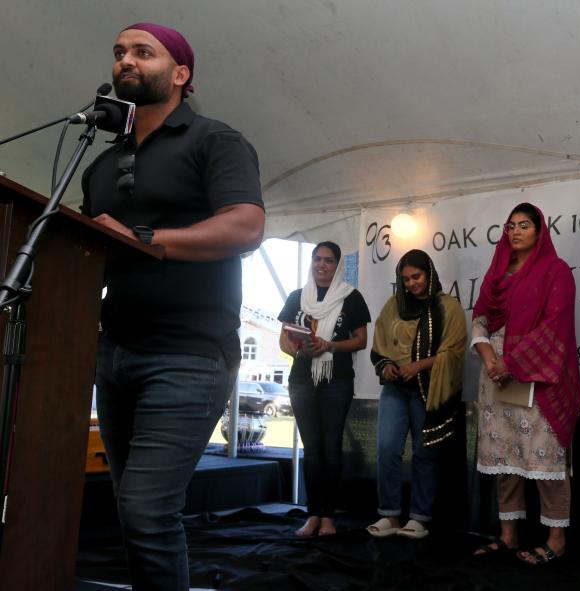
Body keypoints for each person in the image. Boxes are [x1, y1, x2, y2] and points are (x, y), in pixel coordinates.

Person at [80, 23, 264, 591]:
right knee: (133, 511)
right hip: (115, 353)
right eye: (118, 53)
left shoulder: (215, 140)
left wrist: (145, 239)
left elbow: (246, 225)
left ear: (180, 74)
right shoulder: (100, 165)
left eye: (142, 51)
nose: (125, 61)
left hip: (188, 353)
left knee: (147, 508)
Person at [471, 202, 580, 566]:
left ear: (539, 230)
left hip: (536, 381)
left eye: (524, 225)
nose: (516, 232)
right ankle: (508, 536)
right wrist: (490, 359)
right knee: (505, 462)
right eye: (511, 226)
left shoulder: (556, 271)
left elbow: (555, 326)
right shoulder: (497, 274)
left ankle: (556, 539)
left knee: (545, 462)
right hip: (495, 380)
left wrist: (512, 363)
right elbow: (480, 319)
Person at [367, 249, 467, 539]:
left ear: (430, 274)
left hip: (429, 391)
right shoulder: (393, 305)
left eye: (417, 276)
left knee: (425, 453)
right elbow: (379, 347)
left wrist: (419, 366)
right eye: (406, 278)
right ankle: (389, 515)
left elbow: (455, 352)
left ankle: (419, 519)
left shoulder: (448, 307)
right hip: (396, 390)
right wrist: (386, 367)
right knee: (387, 450)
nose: (411, 283)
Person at [277, 241, 370, 537]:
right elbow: (284, 341)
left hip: (337, 380)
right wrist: (301, 352)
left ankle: (329, 518)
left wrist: (330, 345)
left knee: (330, 449)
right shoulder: (296, 297)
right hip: (302, 380)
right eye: (317, 259)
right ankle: (313, 515)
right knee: (312, 450)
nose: (321, 265)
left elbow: (361, 340)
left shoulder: (351, 297)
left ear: (338, 265)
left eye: (328, 260)